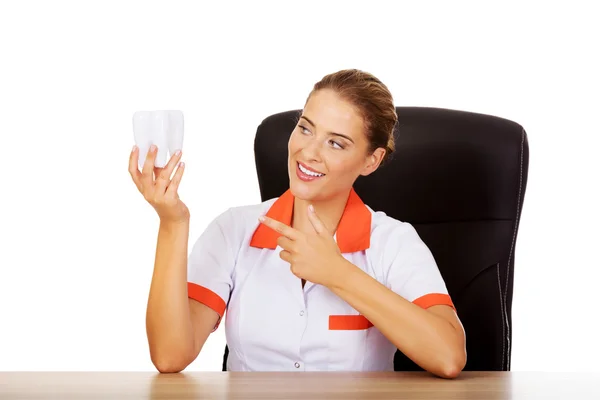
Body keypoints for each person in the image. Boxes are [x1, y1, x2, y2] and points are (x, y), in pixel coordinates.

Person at [128, 69, 467, 378]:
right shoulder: (234, 230)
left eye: (336, 143)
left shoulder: (393, 242)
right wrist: (173, 222)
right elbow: (170, 356)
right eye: (306, 128)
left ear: (371, 160)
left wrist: (337, 273)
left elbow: (448, 357)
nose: (309, 152)